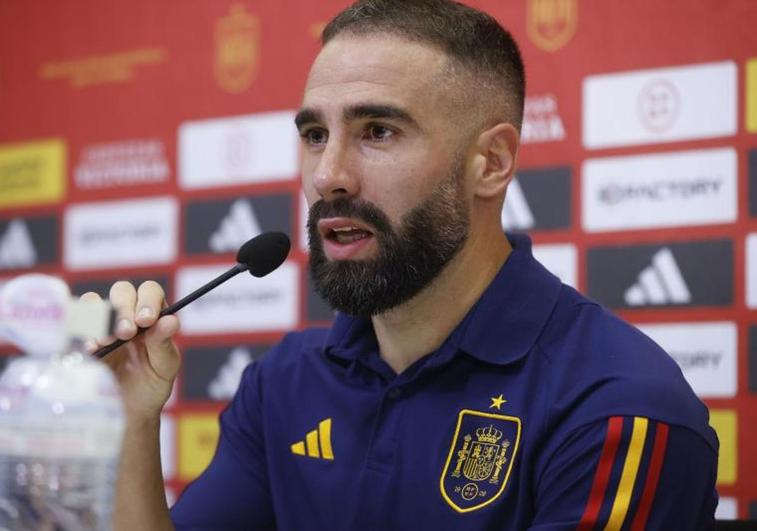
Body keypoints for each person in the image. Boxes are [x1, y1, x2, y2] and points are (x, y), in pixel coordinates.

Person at [83, 0, 719, 529]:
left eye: (378, 132)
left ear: (491, 163)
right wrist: (131, 416)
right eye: (314, 135)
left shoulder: (617, 406)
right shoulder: (282, 383)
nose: (328, 176)